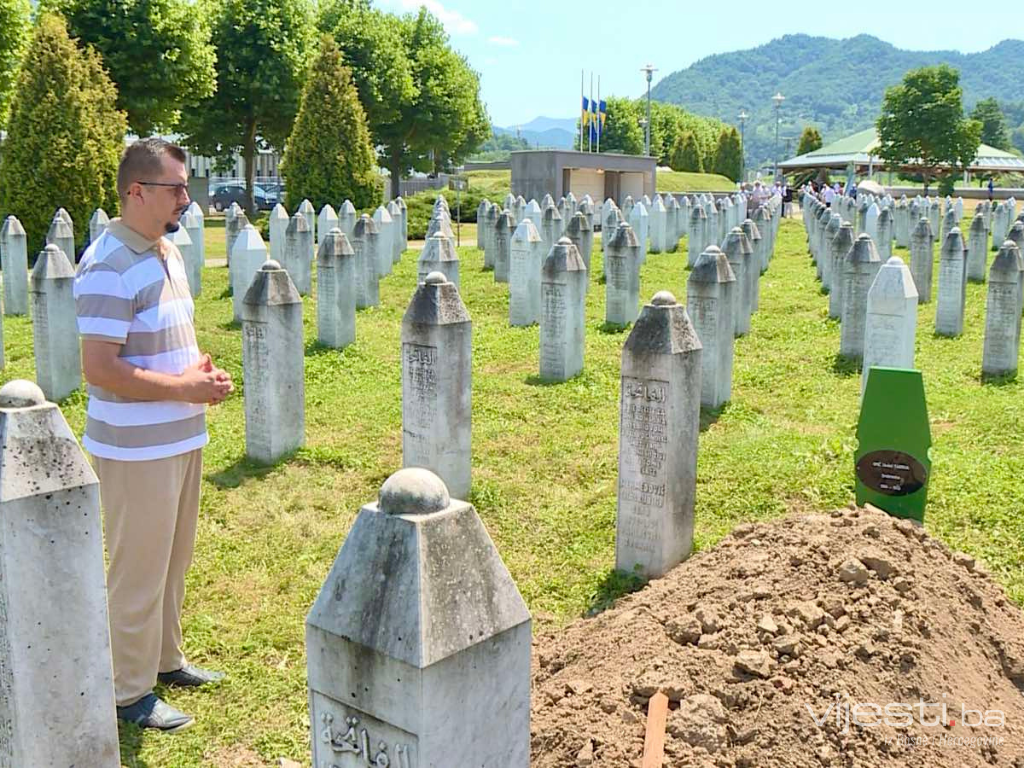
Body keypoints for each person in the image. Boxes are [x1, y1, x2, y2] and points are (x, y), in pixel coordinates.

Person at [74, 138, 234, 733]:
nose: (187, 200)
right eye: (176, 189)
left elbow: (159, 346)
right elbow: (101, 368)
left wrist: (196, 372)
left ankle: (165, 660)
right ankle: (128, 690)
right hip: (136, 446)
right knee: (138, 568)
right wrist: (183, 389)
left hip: (177, 436)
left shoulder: (161, 250)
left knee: (171, 559)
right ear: (136, 192)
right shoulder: (108, 264)